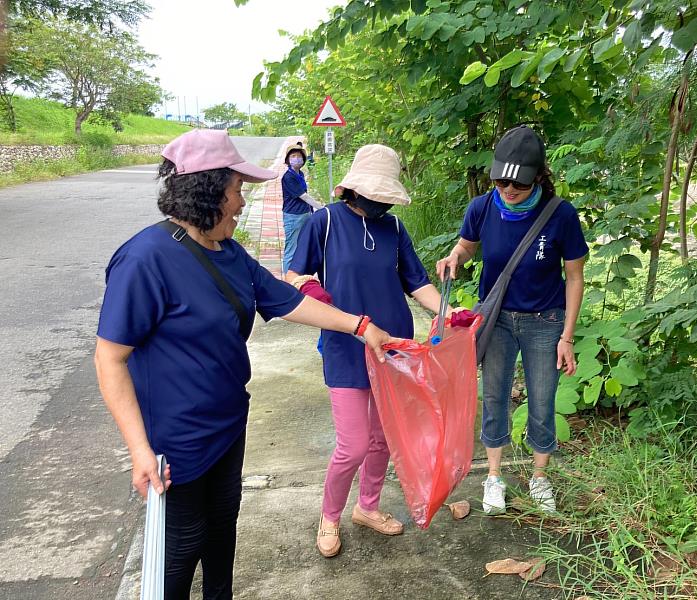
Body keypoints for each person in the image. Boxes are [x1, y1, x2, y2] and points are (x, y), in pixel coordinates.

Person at [94, 129, 395, 599]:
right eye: (237, 191)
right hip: (177, 440)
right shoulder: (144, 259)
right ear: (208, 192)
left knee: (221, 535)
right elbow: (110, 358)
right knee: (182, 547)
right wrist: (138, 450)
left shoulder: (230, 254)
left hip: (229, 426)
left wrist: (359, 326)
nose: (241, 204)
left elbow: (285, 299)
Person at [286, 144, 453, 558]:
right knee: (353, 445)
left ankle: (368, 507)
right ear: (355, 188)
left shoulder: (394, 229)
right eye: (374, 195)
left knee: (381, 440)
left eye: (385, 197)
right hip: (345, 346)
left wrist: (452, 310)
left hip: (394, 348)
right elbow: (294, 274)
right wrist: (319, 295)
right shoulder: (323, 221)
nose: (380, 203)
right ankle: (329, 517)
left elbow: (417, 283)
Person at [436, 125, 588, 515]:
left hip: (546, 320)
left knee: (541, 400)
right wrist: (455, 258)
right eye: (501, 183)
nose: (507, 191)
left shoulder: (560, 215)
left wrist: (566, 337)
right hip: (497, 320)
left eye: (516, 186)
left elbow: (574, 277)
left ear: (539, 177)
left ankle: (539, 478)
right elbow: (467, 246)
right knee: (495, 398)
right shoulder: (483, 207)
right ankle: (493, 477)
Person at [281, 141, 322, 276]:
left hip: (304, 214)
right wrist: (321, 208)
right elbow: (303, 196)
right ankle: (288, 281)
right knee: (291, 249)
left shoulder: (300, 174)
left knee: (303, 246)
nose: (296, 158)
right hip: (293, 216)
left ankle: (299, 276)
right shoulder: (288, 177)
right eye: (293, 156)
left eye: (299, 156)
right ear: (288, 159)